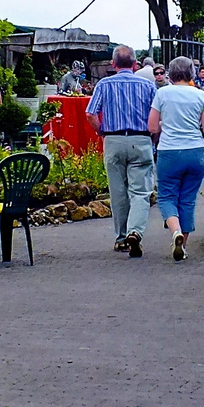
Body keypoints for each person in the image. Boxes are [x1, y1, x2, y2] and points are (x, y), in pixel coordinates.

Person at [86, 45, 158, 257]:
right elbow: (157, 117)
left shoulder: (104, 84)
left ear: (113, 64)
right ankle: (135, 231)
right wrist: (153, 137)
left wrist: (102, 132)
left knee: (118, 192)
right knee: (140, 191)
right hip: (141, 139)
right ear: (135, 64)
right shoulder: (147, 85)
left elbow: (90, 113)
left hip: (114, 138)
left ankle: (121, 237)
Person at [148, 57, 204, 262]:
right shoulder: (200, 95)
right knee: (187, 199)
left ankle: (175, 232)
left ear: (170, 73)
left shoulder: (162, 93)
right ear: (192, 73)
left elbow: (152, 127)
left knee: (167, 196)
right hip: (195, 151)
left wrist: (166, 125)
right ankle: (183, 245)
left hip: (169, 152)